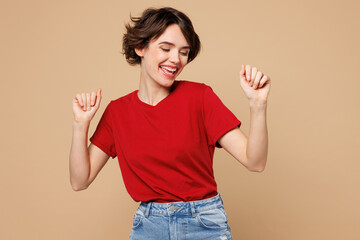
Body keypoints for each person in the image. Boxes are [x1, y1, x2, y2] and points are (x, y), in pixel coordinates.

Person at [69, 7, 270, 240]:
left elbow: (255, 162)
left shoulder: (200, 97)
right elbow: (79, 181)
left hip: (203, 224)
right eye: (166, 48)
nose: (175, 59)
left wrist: (258, 106)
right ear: (140, 47)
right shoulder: (117, 112)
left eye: (184, 52)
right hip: (149, 227)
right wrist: (80, 125)